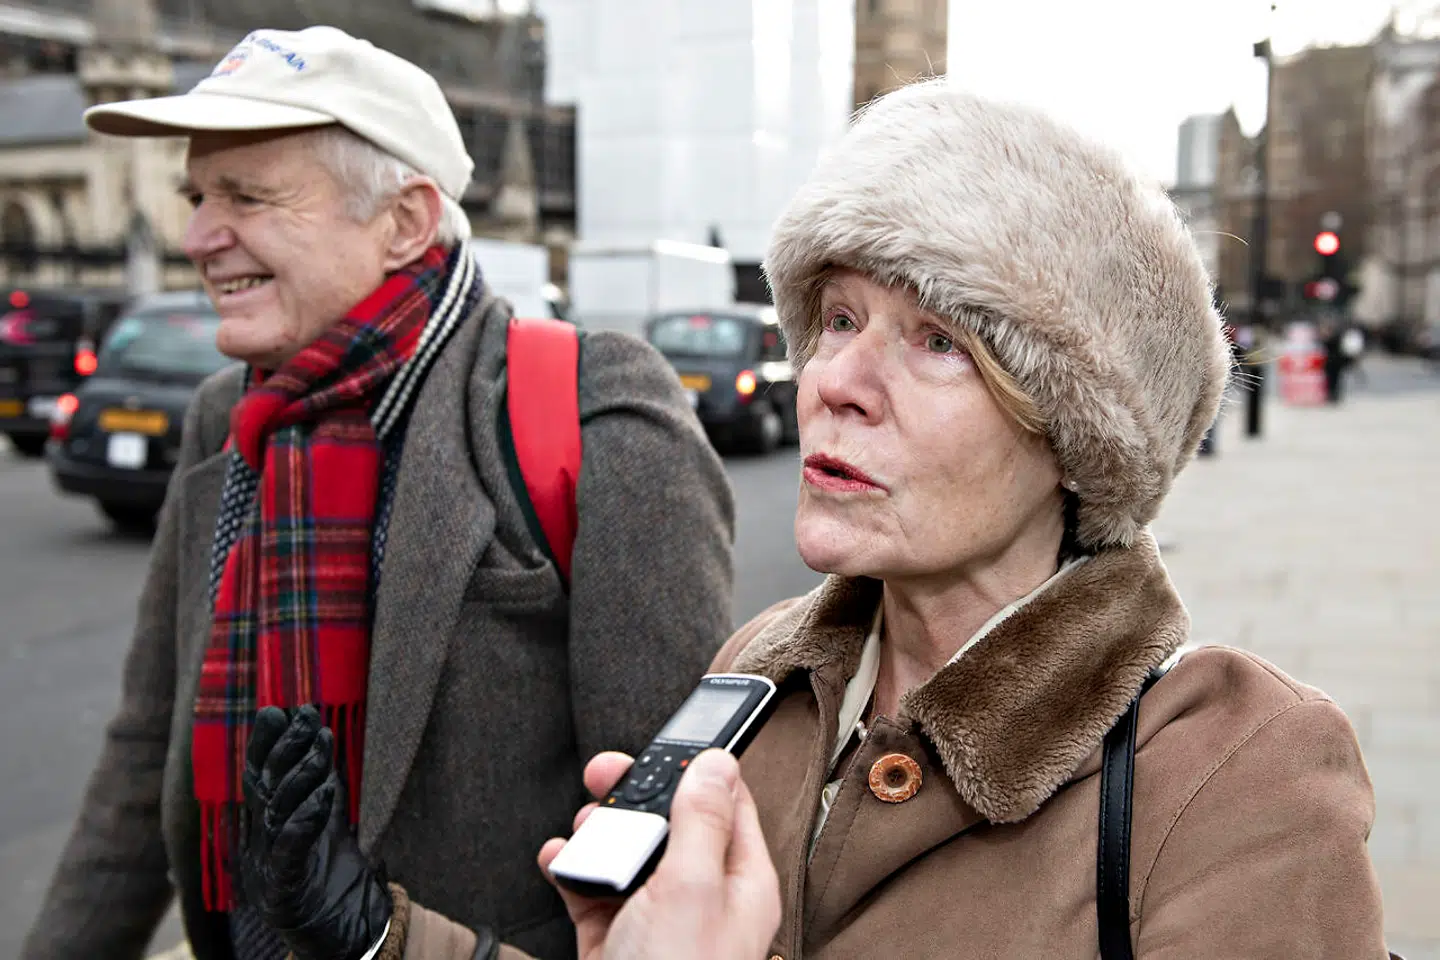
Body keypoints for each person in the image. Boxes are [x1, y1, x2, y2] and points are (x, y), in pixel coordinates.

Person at [246, 80, 1395, 959]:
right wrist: (376, 935)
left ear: (1073, 430)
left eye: (938, 340)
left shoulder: (1238, 770)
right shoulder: (763, 674)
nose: (835, 378)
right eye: (837, 316)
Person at [20, 25, 734, 960]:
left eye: (247, 195)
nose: (196, 236)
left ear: (402, 220)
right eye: (198, 195)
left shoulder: (590, 405)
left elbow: (664, 831)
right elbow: (143, 749)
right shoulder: (222, 418)